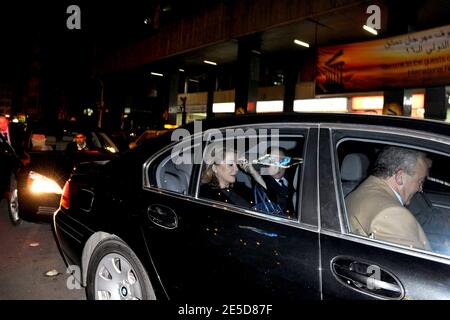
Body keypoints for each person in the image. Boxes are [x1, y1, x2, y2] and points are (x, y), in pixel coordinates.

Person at [345, 146, 431, 251]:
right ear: (400, 177)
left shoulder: (359, 192)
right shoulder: (392, 214)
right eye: (420, 181)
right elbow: (414, 266)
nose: (420, 189)